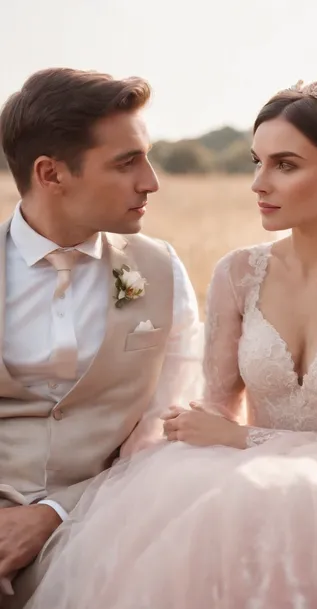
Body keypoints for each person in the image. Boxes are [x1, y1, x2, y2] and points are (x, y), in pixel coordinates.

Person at [24, 80, 317, 609]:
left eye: (285, 164)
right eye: (256, 162)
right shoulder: (239, 273)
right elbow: (218, 405)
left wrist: (239, 439)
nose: (260, 182)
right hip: (236, 487)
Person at [0, 68, 201, 608]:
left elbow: (171, 418)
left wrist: (56, 512)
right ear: (50, 173)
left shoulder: (161, 270)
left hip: (109, 519)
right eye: (126, 161)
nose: (151, 181)